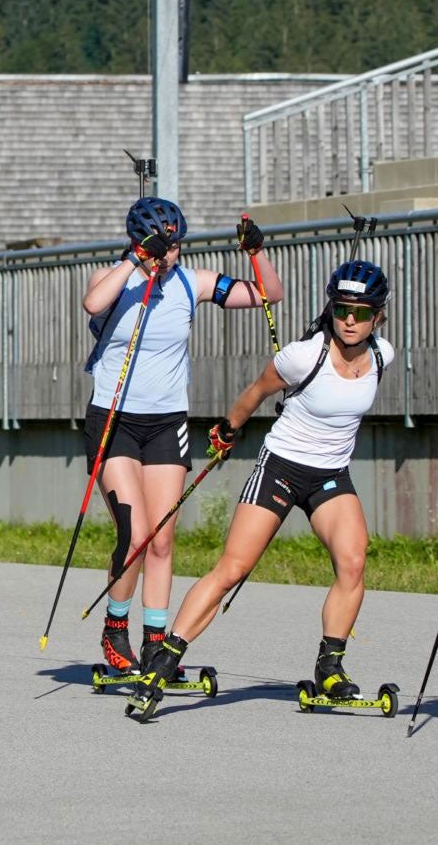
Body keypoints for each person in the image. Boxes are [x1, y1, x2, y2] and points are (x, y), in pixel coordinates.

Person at [129, 261, 395, 722]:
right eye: (343, 309)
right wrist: (227, 430)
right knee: (232, 568)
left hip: (330, 474)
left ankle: (330, 666)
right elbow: (254, 393)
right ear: (331, 309)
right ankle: (164, 659)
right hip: (281, 467)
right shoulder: (302, 355)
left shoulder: (382, 356)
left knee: (353, 560)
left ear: (379, 316)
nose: (351, 319)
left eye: (363, 312)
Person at [80, 198, 272, 676]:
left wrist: (257, 252)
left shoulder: (192, 281)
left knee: (163, 539)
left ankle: (155, 641)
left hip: (166, 422)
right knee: (136, 533)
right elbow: (92, 303)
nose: (172, 253)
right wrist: (134, 260)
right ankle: (115, 626)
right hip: (114, 419)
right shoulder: (114, 280)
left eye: (177, 243)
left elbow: (270, 294)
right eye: (164, 245)